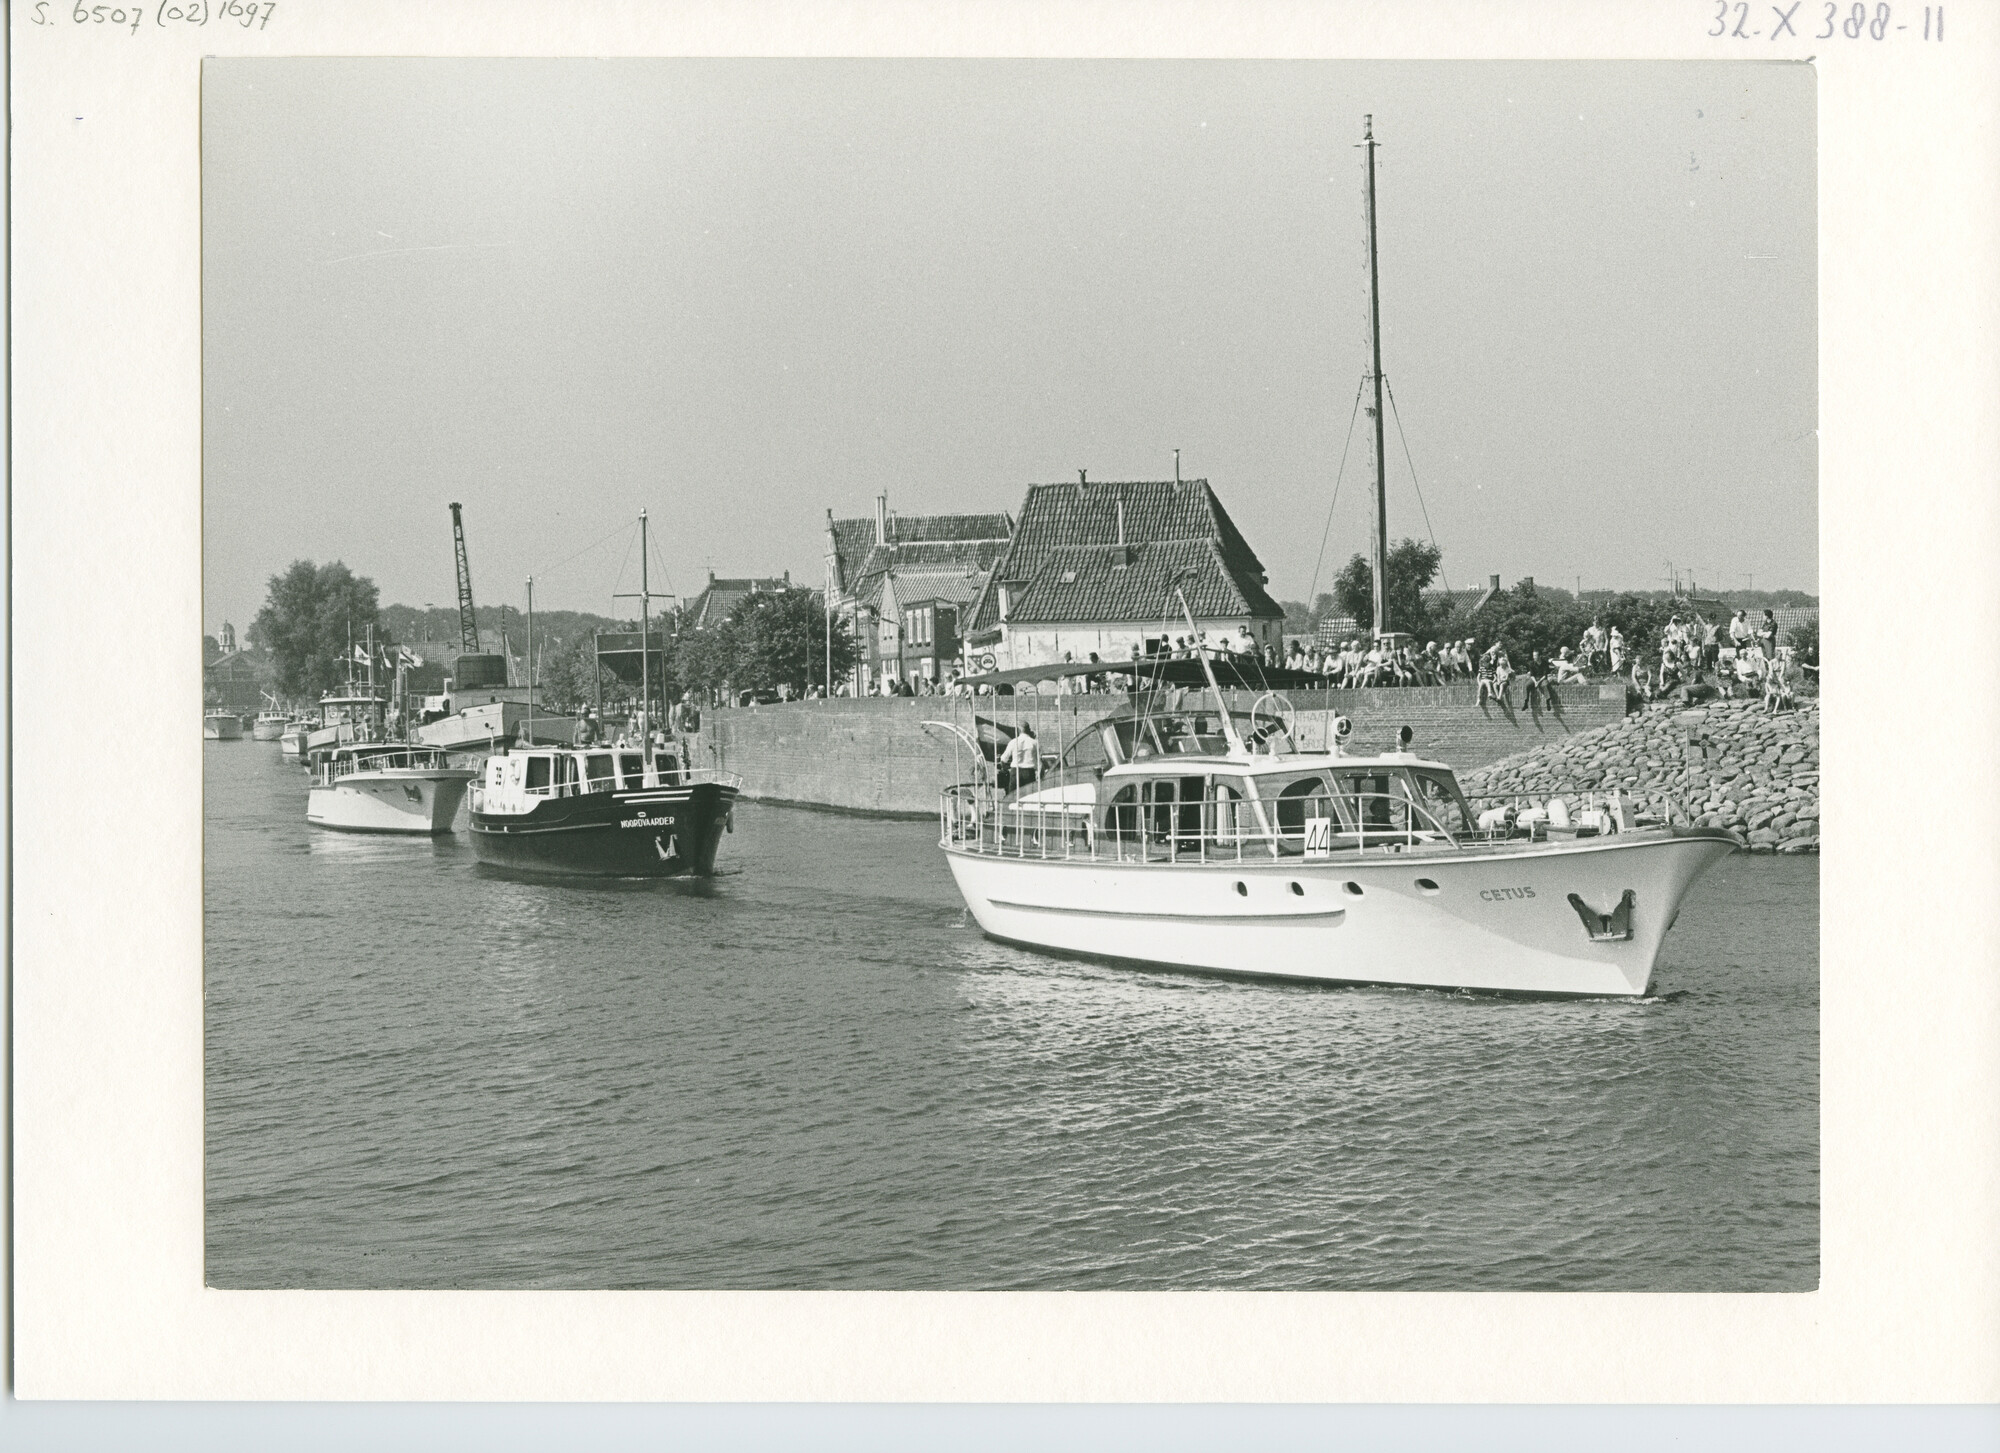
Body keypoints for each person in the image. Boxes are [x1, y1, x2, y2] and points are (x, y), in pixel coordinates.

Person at [997, 721, 1040, 793]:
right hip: (1029, 772)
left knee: (1012, 796)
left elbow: (1003, 759)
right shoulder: (1034, 743)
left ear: (1019, 730)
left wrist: (1005, 768)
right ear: (1028, 730)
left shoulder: (1013, 742)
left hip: (1015, 772)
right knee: (1030, 796)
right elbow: (1039, 761)